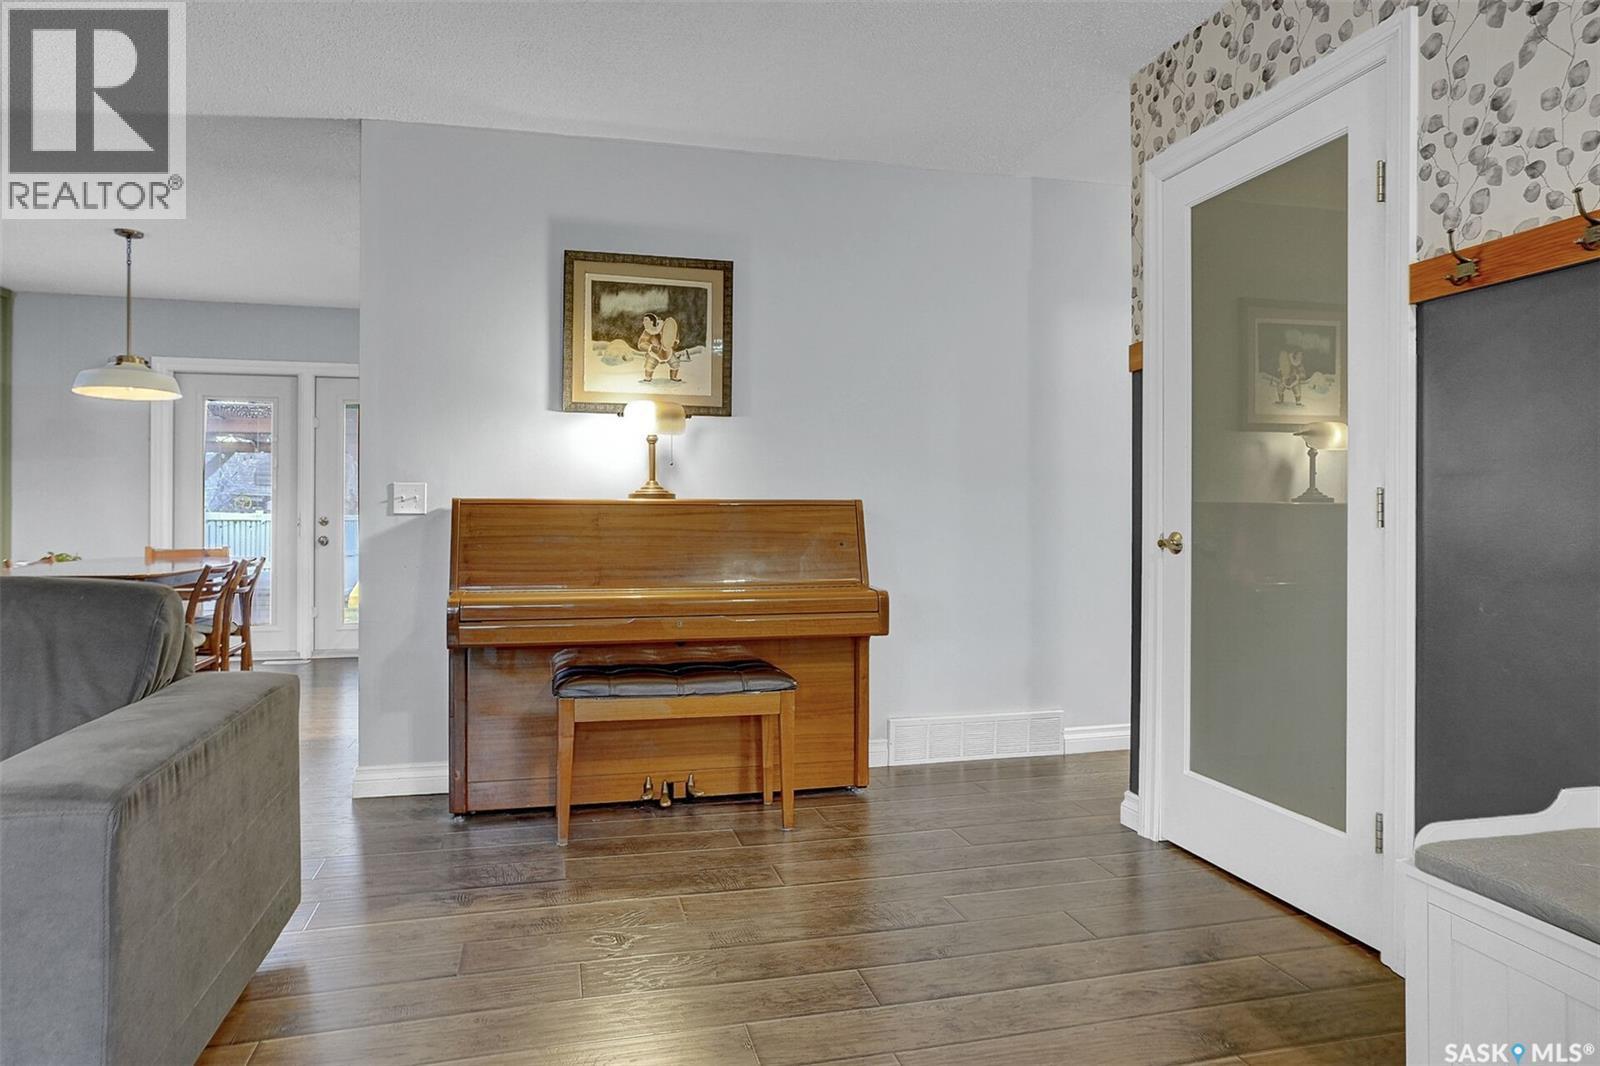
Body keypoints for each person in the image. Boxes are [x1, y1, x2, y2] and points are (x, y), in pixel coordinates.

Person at [637, 313, 683, 383]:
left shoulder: (664, 326)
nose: (643, 322)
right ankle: (648, 378)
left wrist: (674, 342)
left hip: (667, 350)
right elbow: (641, 343)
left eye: (646, 320)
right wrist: (651, 347)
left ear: (652, 322)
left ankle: (674, 377)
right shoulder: (647, 332)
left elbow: (673, 333)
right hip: (654, 353)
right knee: (650, 364)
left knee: (675, 363)